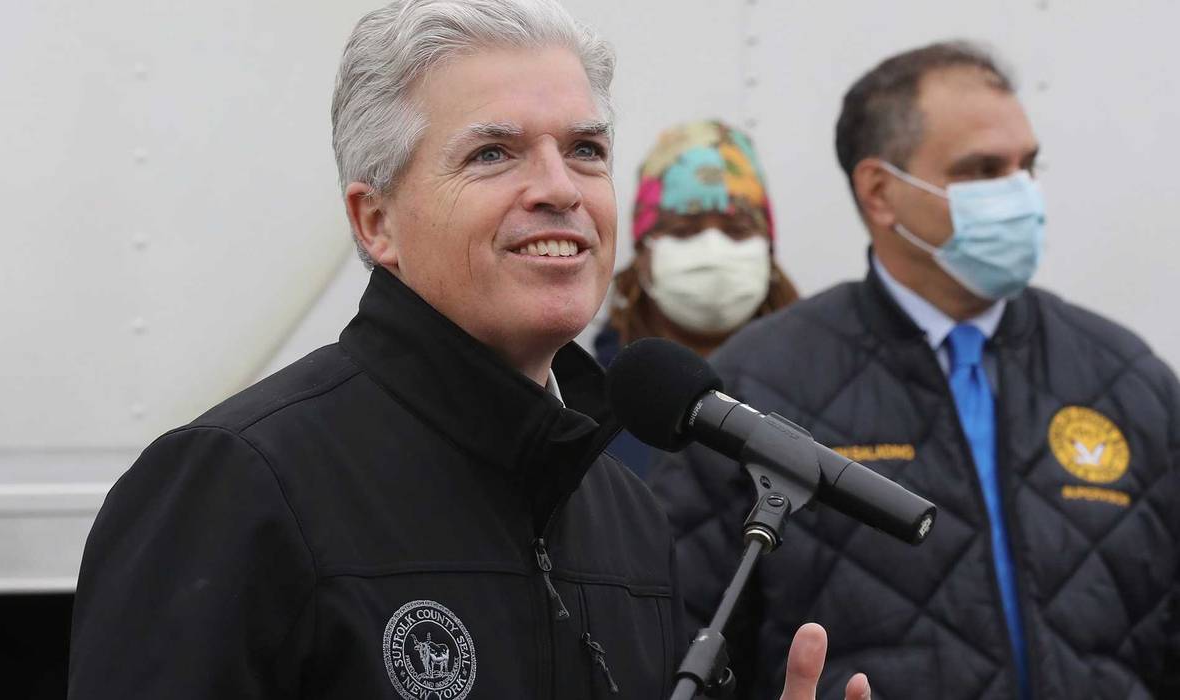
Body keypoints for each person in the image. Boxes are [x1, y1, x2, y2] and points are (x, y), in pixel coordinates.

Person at [66, 1, 870, 698]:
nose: (560, 188)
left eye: (585, 150)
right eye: (493, 153)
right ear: (375, 221)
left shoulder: (623, 512)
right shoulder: (237, 483)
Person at [650, 40, 1180, 699]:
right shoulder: (759, 384)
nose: (1018, 194)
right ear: (880, 192)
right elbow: (684, 641)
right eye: (983, 170)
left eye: (1026, 166)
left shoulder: (1126, 379)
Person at [595, 119, 799, 477]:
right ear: (643, 255)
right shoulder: (594, 404)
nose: (712, 250)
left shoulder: (815, 386)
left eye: (737, 231)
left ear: (767, 251)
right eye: (683, 231)